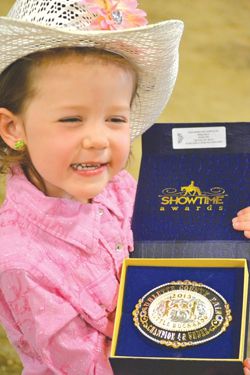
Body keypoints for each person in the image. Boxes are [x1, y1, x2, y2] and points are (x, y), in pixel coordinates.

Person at [0, 1, 249, 374]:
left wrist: (233, 234)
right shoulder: (21, 263)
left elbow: (176, 260)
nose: (99, 139)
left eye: (115, 118)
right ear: (12, 128)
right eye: (71, 118)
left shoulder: (120, 186)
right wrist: (214, 364)